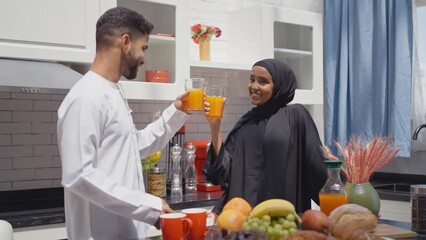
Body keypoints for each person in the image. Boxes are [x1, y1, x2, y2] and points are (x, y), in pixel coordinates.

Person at [57, 7, 190, 239]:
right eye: (143, 48)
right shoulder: (86, 97)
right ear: (125, 42)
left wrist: (177, 112)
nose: (143, 58)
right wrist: (148, 205)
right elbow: (78, 175)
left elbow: (133, 147)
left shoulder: (112, 91)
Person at [203, 58, 327, 214]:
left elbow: (317, 169)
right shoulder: (246, 123)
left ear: (279, 86)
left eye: (262, 82)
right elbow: (220, 175)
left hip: (281, 217)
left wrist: (345, 184)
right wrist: (215, 125)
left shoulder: (295, 116)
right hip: (244, 218)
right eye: (252, 79)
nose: (254, 86)